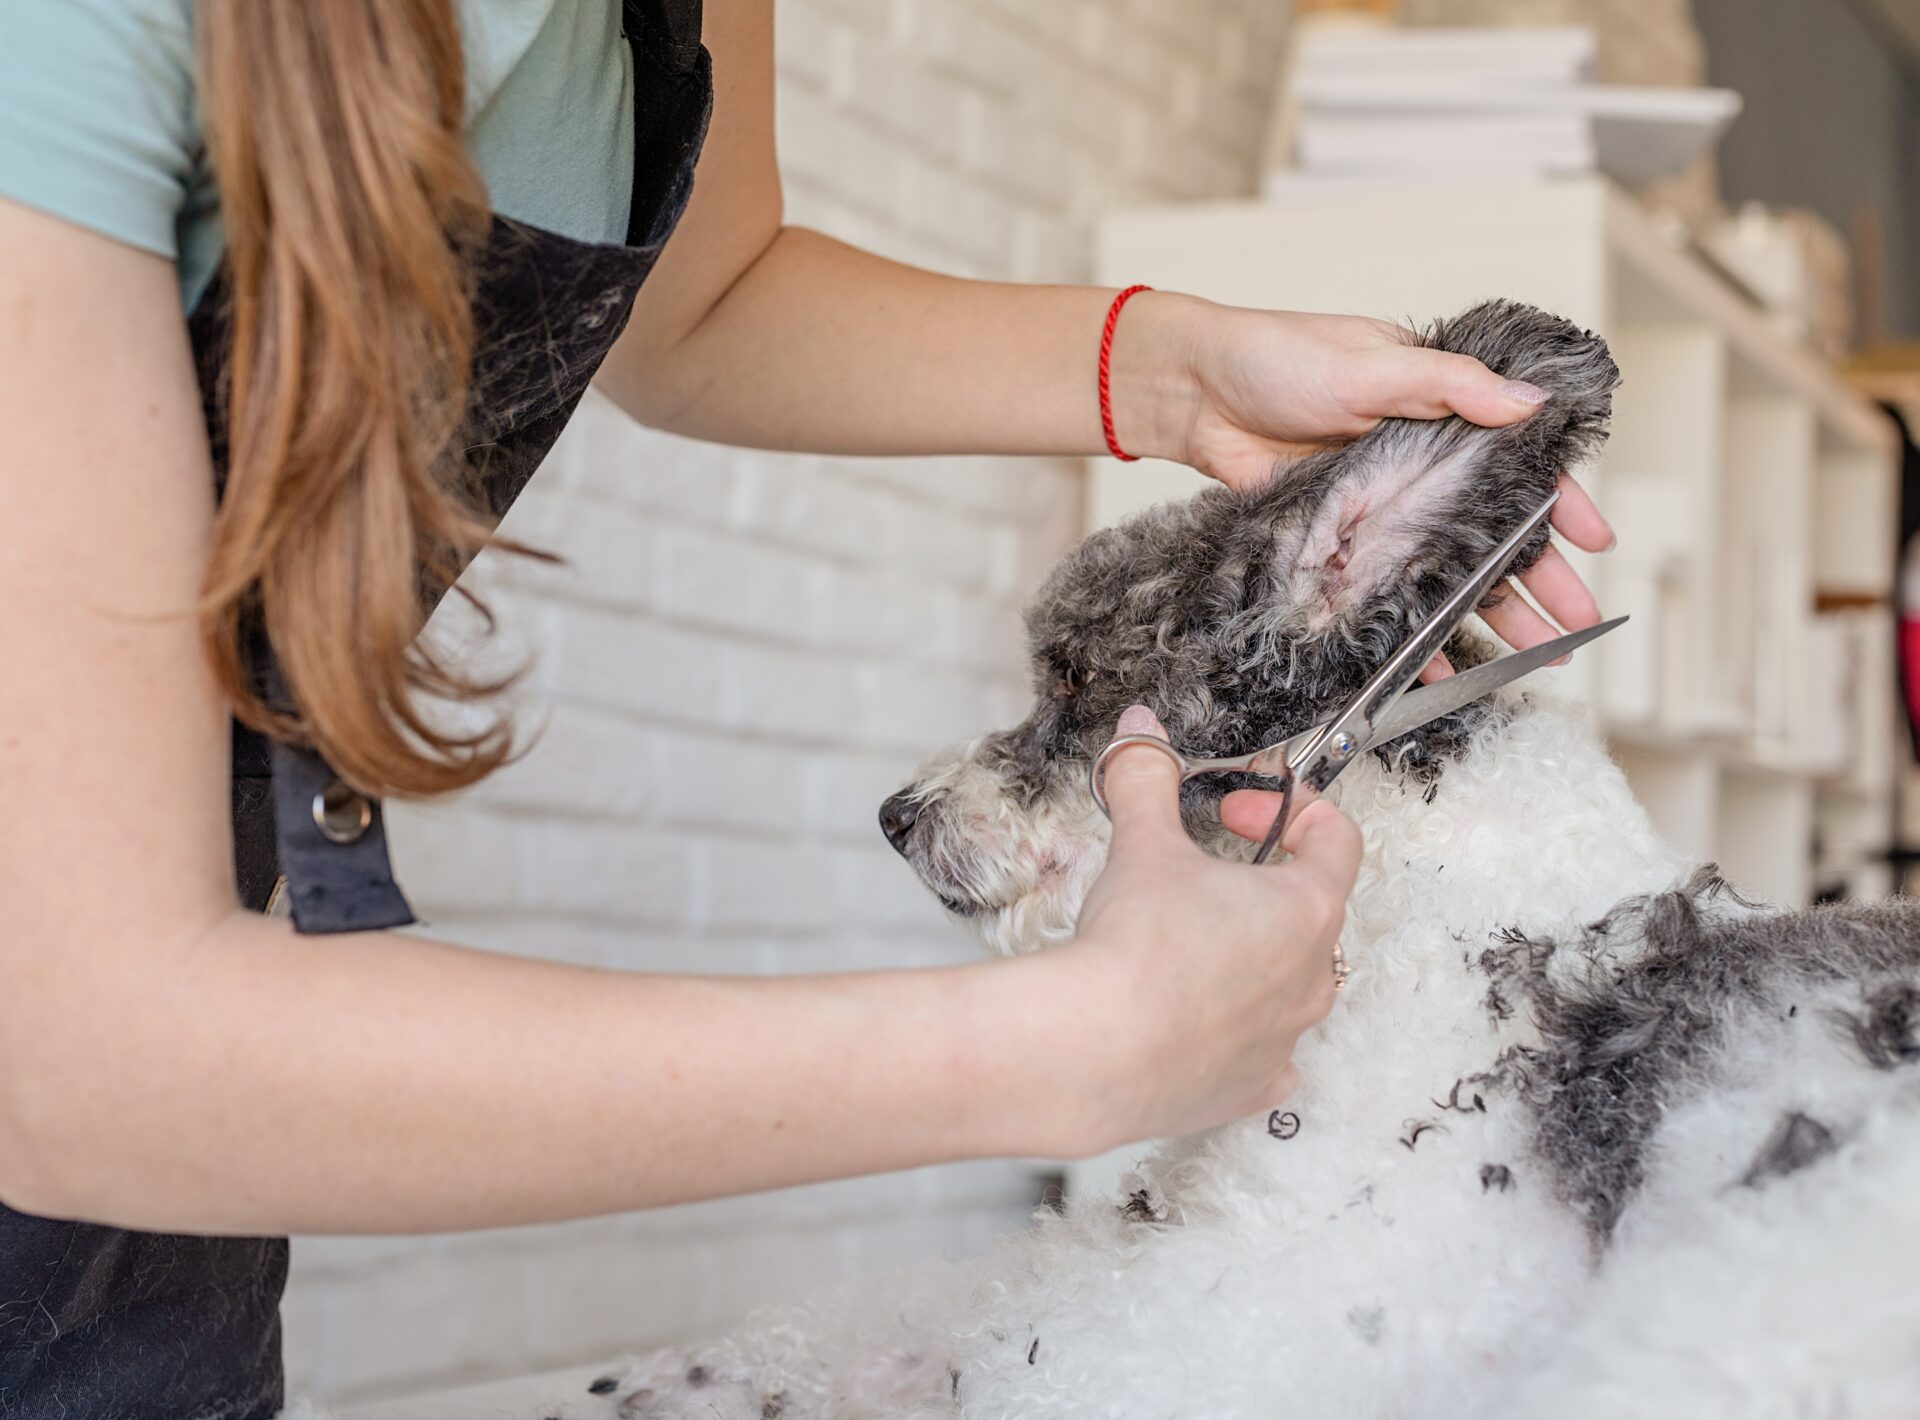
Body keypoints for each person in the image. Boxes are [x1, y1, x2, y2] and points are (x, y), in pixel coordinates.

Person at [0, 1, 1613, 1413]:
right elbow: (74, 1056)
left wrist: (1172, 371)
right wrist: (1061, 1049)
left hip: (179, 1157)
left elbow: (707, 306)